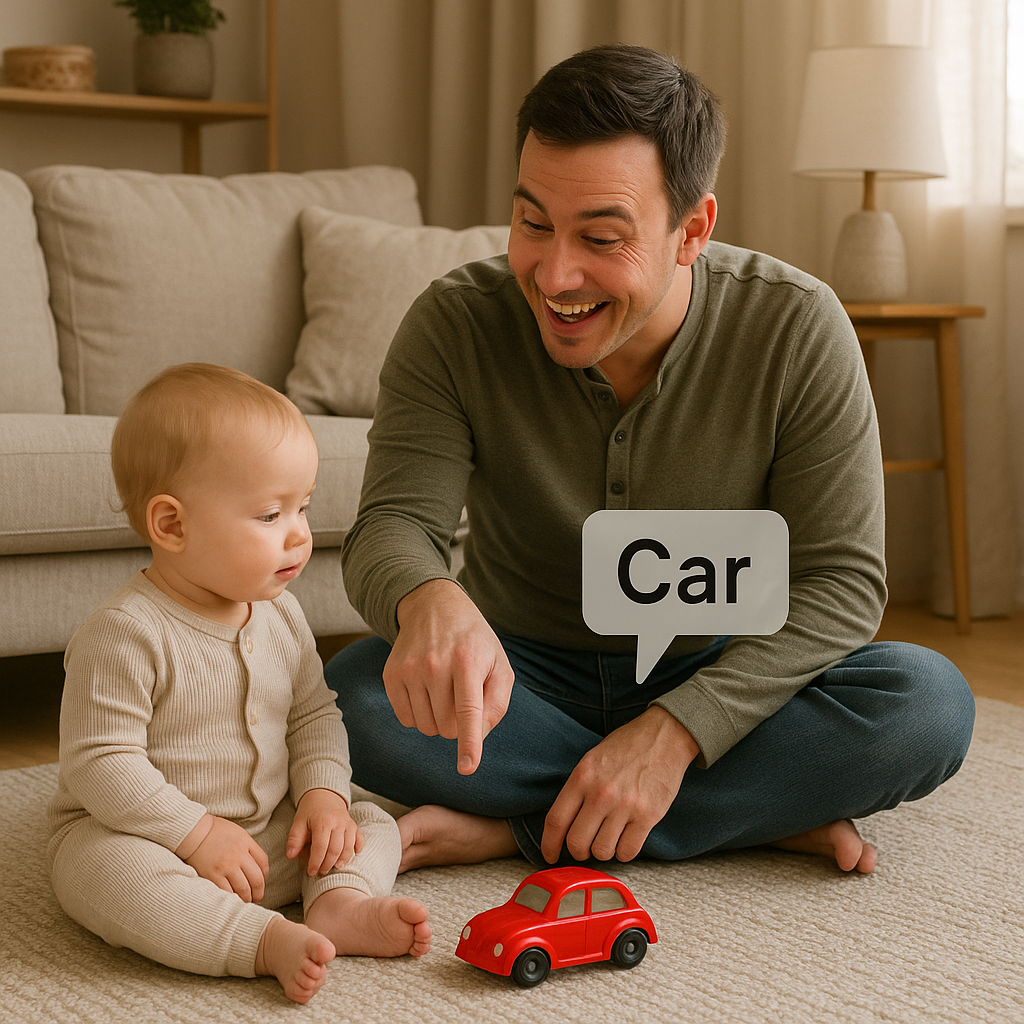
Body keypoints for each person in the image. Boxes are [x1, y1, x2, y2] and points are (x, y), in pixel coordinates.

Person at [328, 44, 975, 877]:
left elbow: (840, 584)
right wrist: (429, 599)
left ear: (692, 231)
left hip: (718, 668)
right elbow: (393, 524)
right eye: (532, 223)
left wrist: (677, 733)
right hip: (516, 673)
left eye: (600, 237)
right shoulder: (455, 323)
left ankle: (523, 830)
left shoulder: (797, 326)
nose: (555, 273)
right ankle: (743, 812)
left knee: (926, 706)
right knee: (349, 697)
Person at [48, 363, 431, 1006]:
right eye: (270, 513)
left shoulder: (280, 611)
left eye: (303, 508)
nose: (300, 533)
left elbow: (313, 716)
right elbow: (100, 762)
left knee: (368, 820)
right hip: (142, 836)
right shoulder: (125, 632)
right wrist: (194, 834)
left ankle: (339, 902)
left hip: (262, 837)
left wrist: (322, 798)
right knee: (107, 875)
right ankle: (254, 941)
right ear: (172, 526)